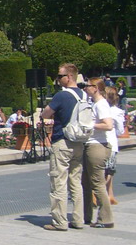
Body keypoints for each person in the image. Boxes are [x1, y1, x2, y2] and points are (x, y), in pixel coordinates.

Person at [41, 63, 88, 231]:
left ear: (69, 77)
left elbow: (45, 113)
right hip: (79, 142)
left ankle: (60, 221)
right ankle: (78, 219)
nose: (58, 79)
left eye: (60, 76)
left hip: (62, 141)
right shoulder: (83, 94)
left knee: (58, 181)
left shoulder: (61, 96)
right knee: (76, 182)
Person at [81, 78, 114, 229]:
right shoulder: (95, 103)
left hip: (97, 146)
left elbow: (108, 125)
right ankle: (86, 215)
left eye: (87, 85)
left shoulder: (101, 104)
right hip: (91, 145)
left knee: (97, 183)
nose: (85, 88)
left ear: (95, 88)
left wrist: (90, 125)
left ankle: (106, 218)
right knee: (86, 182)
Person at [103, 86, 125, 207]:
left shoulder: (100, 109)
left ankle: (110, 194)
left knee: (105, 171)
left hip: (101, 143)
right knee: (109, 171)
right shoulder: (117, 112)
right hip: (112, 144)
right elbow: (121, 131)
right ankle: (101, 193)